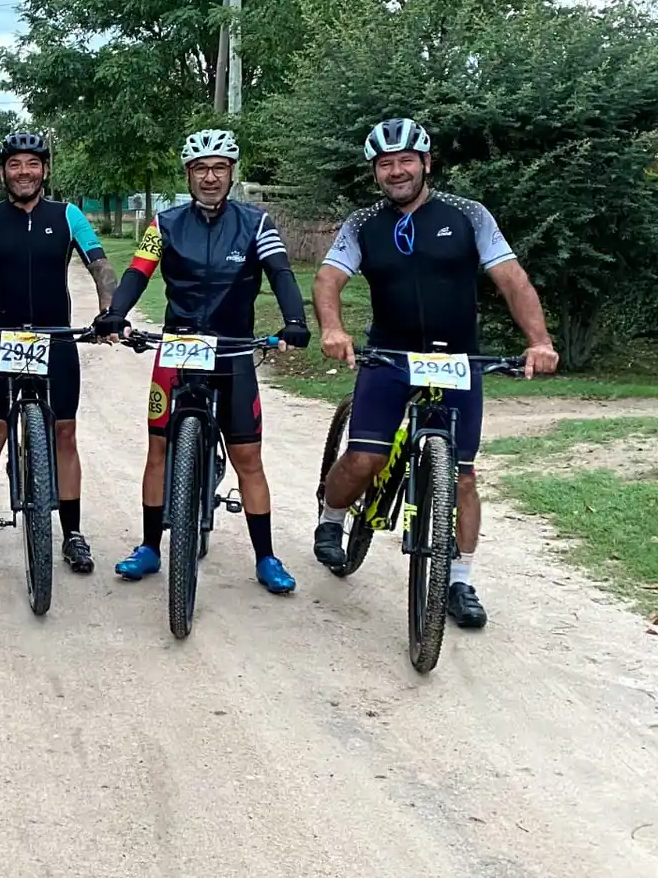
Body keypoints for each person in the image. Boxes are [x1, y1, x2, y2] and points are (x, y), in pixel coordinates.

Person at [312, 117, 560, 628]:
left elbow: (513, 281)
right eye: (385, 164)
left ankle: (460, 580)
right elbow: (328, 280)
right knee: (363, 460)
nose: (396, 171)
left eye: (406, 161)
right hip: (388, 356)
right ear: (375, 172)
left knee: (463, 477)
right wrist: (334, 330)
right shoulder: (363, 223)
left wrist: (539, 341)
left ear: (427, 163)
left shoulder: (468, 215)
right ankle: (332, 517)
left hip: (457, 360)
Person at [92, 128, 311, 595]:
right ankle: (150, 546)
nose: (210, 178)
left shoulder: (257, 223)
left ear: (231, 173)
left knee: (248, 459)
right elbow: (137, 272)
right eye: (200, 169)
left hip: (232, 350)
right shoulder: (164, 224)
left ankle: (266, 556)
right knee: (158, 450)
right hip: (177, 347)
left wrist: (294, 320)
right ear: (188, 175)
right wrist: (114, 315)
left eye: (219, 168)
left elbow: (281, 273)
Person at [0, 129, 116, 574]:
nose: (24, 172)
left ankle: (72, 532)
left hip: (55, 338)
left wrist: (109, 312)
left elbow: (100, 266)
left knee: (65, 435)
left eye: (32, 164)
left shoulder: (69, 214)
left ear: (45, 170)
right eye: (15, 164)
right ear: (3, 172)